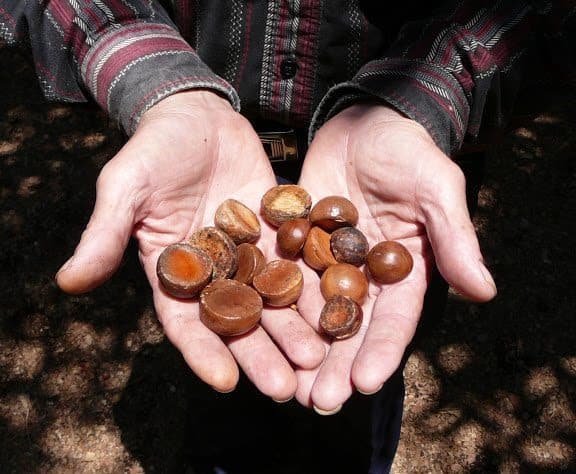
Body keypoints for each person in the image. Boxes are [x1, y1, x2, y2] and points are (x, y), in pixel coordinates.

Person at [1, 1, 572, 472]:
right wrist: (160, 85)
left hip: (391, 175)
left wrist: (426, 89)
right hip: (208, 159)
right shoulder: (244, 241)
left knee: (354, 398)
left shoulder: (345, 236)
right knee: (223, 393)